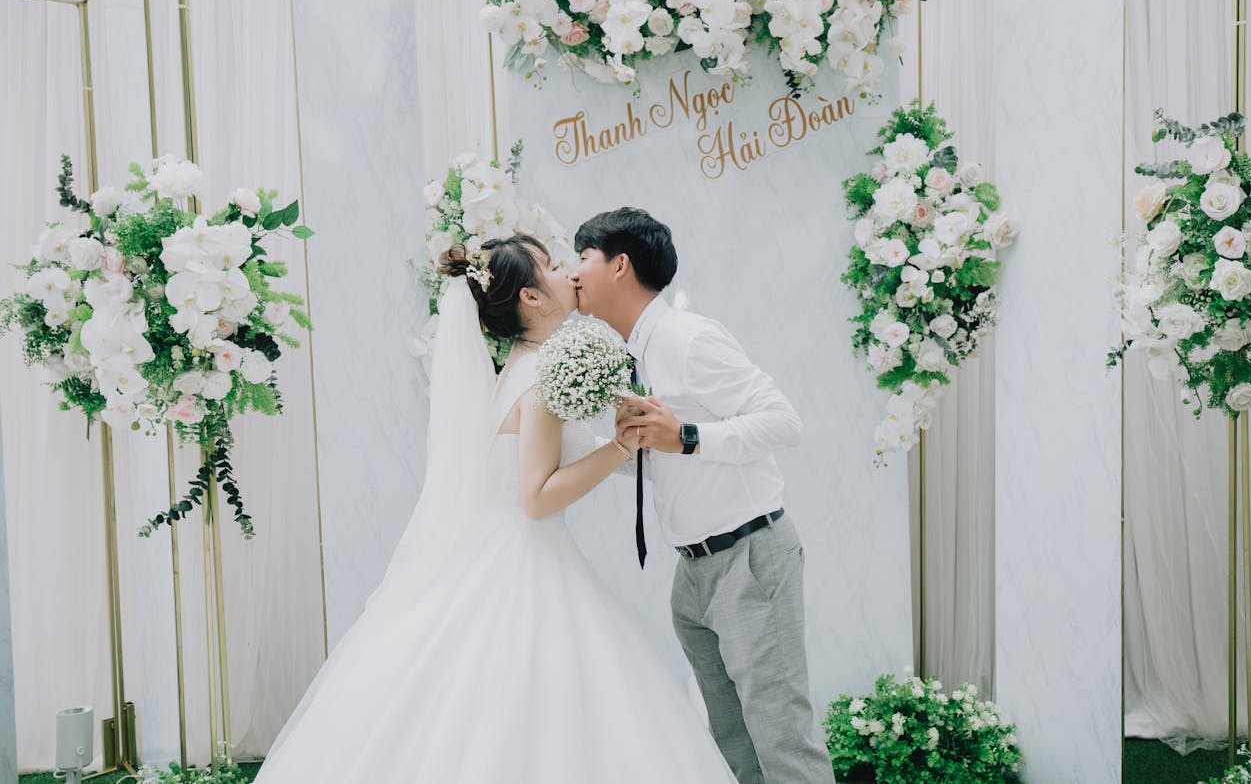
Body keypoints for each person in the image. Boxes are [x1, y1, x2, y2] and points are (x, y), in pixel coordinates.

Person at [254, 234, 735, 783]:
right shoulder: (544, 377)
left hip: (500, 552)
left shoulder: (519, 367)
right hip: (525, 560)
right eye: (552, 266)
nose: (567, 273)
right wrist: (622, 446)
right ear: (530, 298)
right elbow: (536, 497)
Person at [572, 208, 836, 784]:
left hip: (749, 558)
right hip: (692, 573)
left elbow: (784, 422)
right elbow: (661, 459)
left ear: (619, 266)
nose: (574, 273)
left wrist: (686, 436)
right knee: (730, 742)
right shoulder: (632, 350)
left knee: (781, 739)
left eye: (583, 258)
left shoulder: (687, 339)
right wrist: (593, 448)